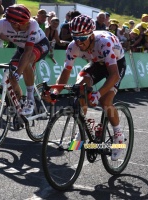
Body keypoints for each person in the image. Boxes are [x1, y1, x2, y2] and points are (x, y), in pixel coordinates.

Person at [47, 15, 126, 161]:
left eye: (82, 39)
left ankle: (118, 135)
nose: (79, 42)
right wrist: (56, 91)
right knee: (80, 86)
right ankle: (83, 127)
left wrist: (98, 94)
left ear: (91, 36)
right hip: (96, 63)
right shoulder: (73, 46)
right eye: (75, 38)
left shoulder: (103, 43)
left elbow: (114, 75)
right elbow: (65, 72)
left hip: (116, 64)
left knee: (105, 101)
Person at [0, 4, 49, 116]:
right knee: (11, 77)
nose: (28, 23)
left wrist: (18, 73)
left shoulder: (33, 24)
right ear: (15, 24)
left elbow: (28, 51)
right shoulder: (1, 24)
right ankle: (19, 103)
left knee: (25, 63)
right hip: (22, 47)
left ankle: (30, 99)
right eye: (25, 23)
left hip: (40, 44)